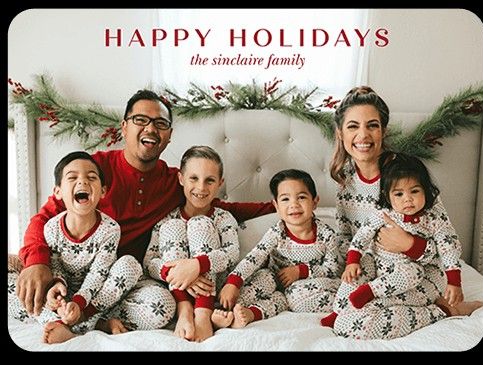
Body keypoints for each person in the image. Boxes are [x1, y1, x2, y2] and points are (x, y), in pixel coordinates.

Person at [16, 90, 275, 332]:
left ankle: (93, 319)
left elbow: (216, 205)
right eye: (141, 120)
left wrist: (280, 206)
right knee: (22, 294)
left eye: (160, 123)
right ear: (125, 127)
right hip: (77, 272)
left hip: (129, 279)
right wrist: (37, 263)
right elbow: (44, 218)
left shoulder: (175, 181)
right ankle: (83, 316)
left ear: (169, 135)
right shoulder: (95, 170)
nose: (151, 128)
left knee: (162, 307)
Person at [320, 86, 483, 339]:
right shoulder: (346, 177)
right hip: (375, 269)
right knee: (345, 301)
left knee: (356, 324)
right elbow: (346, 234)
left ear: (383, 131)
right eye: (353, 126)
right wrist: (345, 266)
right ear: (340, 133)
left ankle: (444, 310)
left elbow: (444, 241)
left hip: (419, 274)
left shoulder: (406, 175)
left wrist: (409, 244)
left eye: (372, 125)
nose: (363, 135)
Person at [8, 151, 142, 344]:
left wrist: (79, 305)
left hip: (95, 295)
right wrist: (56, 288)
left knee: (130, 265)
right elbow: (54, 265)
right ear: (58, 192)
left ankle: (79, 322)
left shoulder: (110, 229)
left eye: (91, 177)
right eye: (72, 177)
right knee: (18, 289)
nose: (83, 182)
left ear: (103, 191)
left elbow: (99, 272)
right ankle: (70, 321)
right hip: (63, 291)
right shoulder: (51, 227)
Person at [214, 169, 341, 329]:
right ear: (277, 206)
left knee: (284, 300)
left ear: (314, 202)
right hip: (275, 278)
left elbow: (333, 269)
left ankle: (251, 314)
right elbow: (255, 257)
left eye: (301, 197)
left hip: (306, 285)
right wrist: (233, 283)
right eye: (285, 199)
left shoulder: (327, 235)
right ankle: (226, 311)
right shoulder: (277, 232)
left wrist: (301, 271)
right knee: (261, 280)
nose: (294, 204)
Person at [144, 145, 240, 342]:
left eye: (210, 180)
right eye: (194, 178)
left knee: (200, 223)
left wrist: (197, 265)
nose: (201, 188)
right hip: (178, 290)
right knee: (173, 226)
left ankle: (204, 314)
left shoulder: (223, 218)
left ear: (220, 183)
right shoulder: (166, 219)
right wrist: (177, 272)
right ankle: (185, 309)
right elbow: (149, 262)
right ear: (181, 179)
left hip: (212, 286)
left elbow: (232, 253)